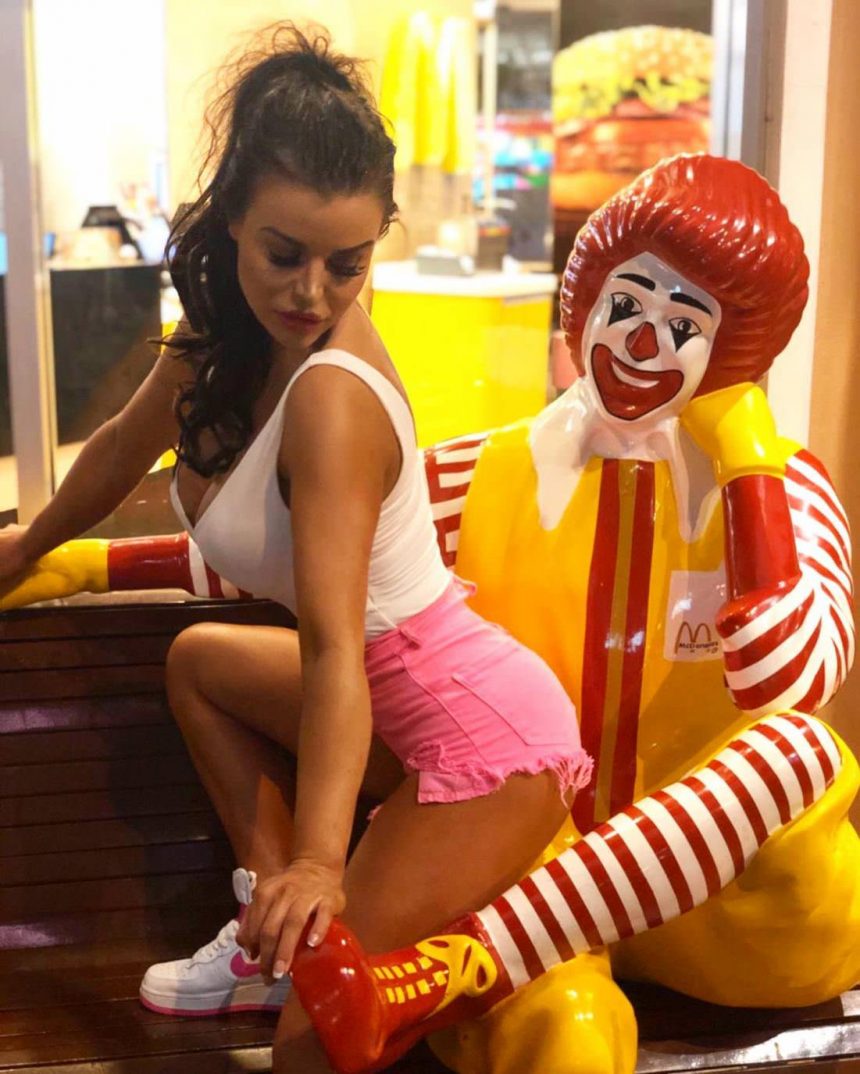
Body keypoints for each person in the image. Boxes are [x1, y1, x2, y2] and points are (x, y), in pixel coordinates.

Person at [0, 24, 591, 1074]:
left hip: (480, 744)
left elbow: (332, 650)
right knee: (200, 662)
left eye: (346, 265)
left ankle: (295, 940)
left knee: (313, 1044)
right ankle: (266, 932)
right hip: (385, 699)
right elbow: (120, 449)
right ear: (232, 215)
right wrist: (24, 546)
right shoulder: (223, 337)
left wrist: (323, 862)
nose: (311, 294)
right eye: (285, 254)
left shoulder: (330, 402)